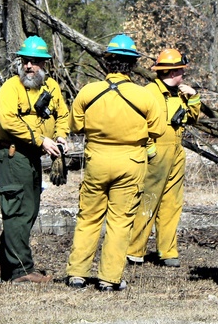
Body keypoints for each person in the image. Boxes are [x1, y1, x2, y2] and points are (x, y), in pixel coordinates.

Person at [66, 34, 166, 292]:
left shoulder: (89, 91)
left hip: (96, 160)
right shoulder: (144, 96)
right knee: (120, 221)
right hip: (130, 162)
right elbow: (158, 129)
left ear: (107, 63)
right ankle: (109, 278)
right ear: (132, 65)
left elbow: (75, 125)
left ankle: (77, 273)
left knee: (88, 217)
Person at [0, 36, 69, 284]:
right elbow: (9, 120)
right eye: (25, 61)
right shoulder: (11, 88)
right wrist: (40, 140)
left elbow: (63, 114)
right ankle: (22, 270)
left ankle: (2, 264)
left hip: (32, 157)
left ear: (45, 64)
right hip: (14, 155)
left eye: (35, 62)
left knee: (29, 211)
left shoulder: (51, 88)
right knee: (17, 212)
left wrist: (61, 136)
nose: (29, 66)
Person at [127, 48, 201, 268]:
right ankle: (134, 249)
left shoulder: (180, 93)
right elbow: (138, 123)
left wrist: (194, 98)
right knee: (148, 200)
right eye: (180, 71)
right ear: (171, 72)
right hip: (156, 152)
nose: (183, 75)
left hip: (176, 151)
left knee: (172, 203)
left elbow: (192, 119)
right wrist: (149, 149)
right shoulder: (149, 92)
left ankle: (167, 251)